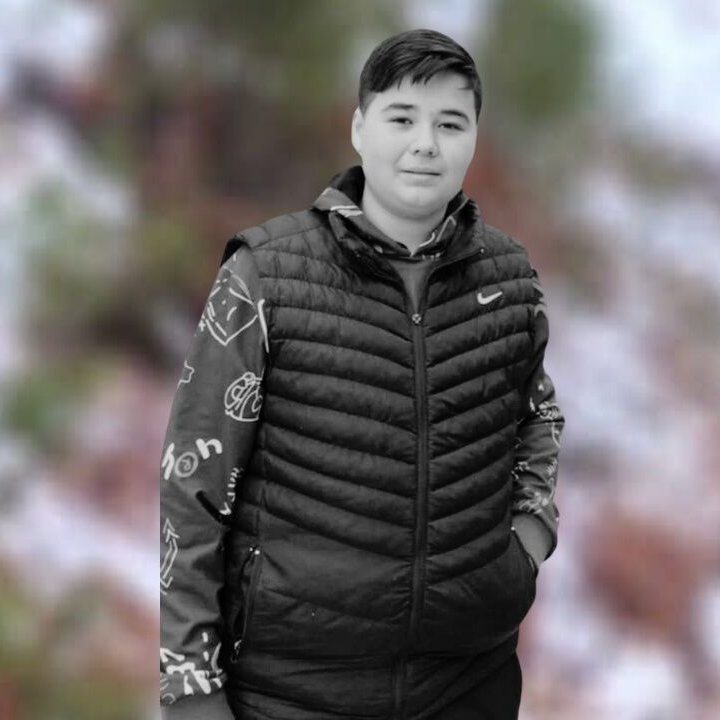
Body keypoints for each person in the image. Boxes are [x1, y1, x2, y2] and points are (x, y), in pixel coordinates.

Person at [159, 28, 564, 720]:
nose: (425, 144)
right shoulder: (266, 277)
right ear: (358, 128)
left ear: (474, 138)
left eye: (450, 124)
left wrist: (525, 546)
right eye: (402, 118)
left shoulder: (509, 279)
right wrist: (191, 687)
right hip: (293, 691)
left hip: (469, 685)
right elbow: (192, 483)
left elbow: (537, 419)